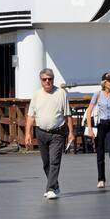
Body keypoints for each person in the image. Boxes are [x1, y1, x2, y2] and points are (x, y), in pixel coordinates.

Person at [24, 69, 73, 200]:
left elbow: (68, 115)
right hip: (41, 132)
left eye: (50, 79)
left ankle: (50, 188)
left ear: (53, 79)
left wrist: (71, 133)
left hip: (57, 133)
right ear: (41, 80)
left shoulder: (61, 93)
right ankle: (55, 185)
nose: (47, 81)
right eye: (45, 79)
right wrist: (28, 133)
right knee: (46, 163)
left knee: (55, 161)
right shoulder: (36, 95)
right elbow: (30, 116)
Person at [89, 72, 110, 189]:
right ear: (104, 82)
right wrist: (90, 128)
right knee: (100, 153)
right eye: (109, 81)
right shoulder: (98, 94)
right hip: (101, 125)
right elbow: (89, 111)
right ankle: (101, 179)